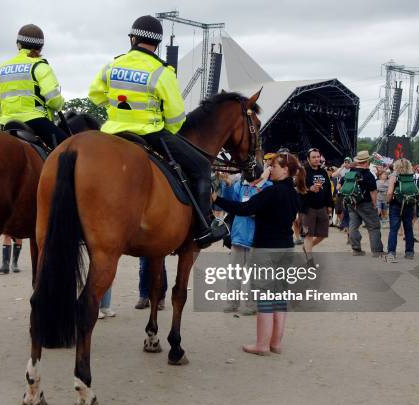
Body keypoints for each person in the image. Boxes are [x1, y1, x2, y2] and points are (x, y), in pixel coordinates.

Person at [88, 15, 227, 249]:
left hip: (111, 133)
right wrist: (163, 126)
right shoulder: (163, 72)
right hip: (149, 133)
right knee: (201, 166)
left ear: (133, 38)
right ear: (157, 44)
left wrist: (119, 109)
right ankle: (204, 228)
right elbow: (176, 117)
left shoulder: (113, 64)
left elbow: (95, 95)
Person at [213, 152, 306, 356]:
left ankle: (262, 345)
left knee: (264, 297)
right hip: (286, 247)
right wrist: (262, 181)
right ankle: (275, 343)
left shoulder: (272, 192)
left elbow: (245, 208)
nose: (270, 168)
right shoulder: (293, 194)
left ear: (285, 169)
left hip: (266, 248)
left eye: (274, 165)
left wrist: (217, 199)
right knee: (279, 297)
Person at [0, 24, 67, 149]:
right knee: (70, 148)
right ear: (41, 47)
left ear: (18, 45)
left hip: (7, 124)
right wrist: (60, 104)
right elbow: (54, 101)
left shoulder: (0, 69)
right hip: (35, 122)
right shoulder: (40, 66)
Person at [222, 165, 272, 315]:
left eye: (250, 172)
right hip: (239, 236)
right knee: (234, 273)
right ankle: (232, 303)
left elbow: (271, 209)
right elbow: (231, 203)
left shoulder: (268, 187)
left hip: (258, 238)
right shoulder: (240, 185)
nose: (246, 174)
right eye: (245, 172)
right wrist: (229, 186)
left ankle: (252, 305)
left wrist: (260, 214)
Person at [385, 158, 419, 262]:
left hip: (395, 205)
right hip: (409, 205)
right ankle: (409, 252)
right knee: (408, 229)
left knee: (394, 229)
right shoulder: (414, 176)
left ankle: (391, 252)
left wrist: (388, 201)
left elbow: (389, 193)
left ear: (396, 166)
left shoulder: (394, 176)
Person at [346, 151, 384, 257]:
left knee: (353, 226)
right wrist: (374, 204)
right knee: (374, 227)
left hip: (352, 203)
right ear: (367, 161)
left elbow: (342, 186)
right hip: (366, 203)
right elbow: (373, 192)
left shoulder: (351, 171)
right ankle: (377, 251)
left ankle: (356, 249)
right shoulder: (368, 174)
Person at [301, 148, 333, 266]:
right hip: (308, 208)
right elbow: (297, 188)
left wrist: (330, 205)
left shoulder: (323, 172)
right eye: (313, 157)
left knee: (323, 234)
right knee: (308, 234)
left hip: (322, 207)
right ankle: (310, 260)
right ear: (308, 159)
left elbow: (329, 189)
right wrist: (309, 189)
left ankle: (306, 248)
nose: (316, 159)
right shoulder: (303, 171)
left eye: (318, 157)